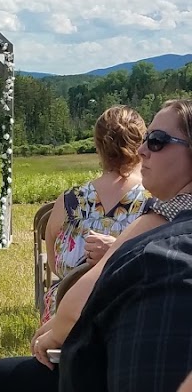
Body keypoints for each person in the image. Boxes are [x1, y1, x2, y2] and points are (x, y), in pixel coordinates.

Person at [0, 98, 192, 392]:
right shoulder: (152, 205)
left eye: (156, 141)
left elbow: (70, 302)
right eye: (143, 139)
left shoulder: (158, 214)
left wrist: (54, 332)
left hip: (124, 359)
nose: (144, 150)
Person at [41, 105, 148, 321]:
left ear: (98, 146)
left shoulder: (68, 202)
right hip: (130, 318)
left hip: (64, 322)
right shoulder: (155, 203)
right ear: (142, 144)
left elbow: (54, 266)